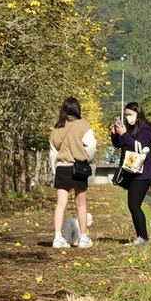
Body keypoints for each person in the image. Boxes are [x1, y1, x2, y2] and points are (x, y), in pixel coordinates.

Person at [48, 97, 97, 249]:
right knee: (81, 204)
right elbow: (91, 146)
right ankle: (83, 237)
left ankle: (57, 237)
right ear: (77, 109)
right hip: (78, 168)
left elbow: (52, 152)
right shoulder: (83, 125)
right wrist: (85, 158)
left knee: (60, 204)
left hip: (62, 167)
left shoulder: (56, 129)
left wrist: (55, 169)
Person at [109, 101, 151, 247]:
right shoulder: (131, 129)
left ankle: (142, 237)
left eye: (130, 114)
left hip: (143, 173)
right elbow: (121, 144)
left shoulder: (146, 129)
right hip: (133, 172)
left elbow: (137, 147)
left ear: (138, 113)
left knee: (134, 205)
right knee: (133, 205)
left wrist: (124, 134)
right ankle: (141, 236)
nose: (128, 117)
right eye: (126, 115)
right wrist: (115, 135)